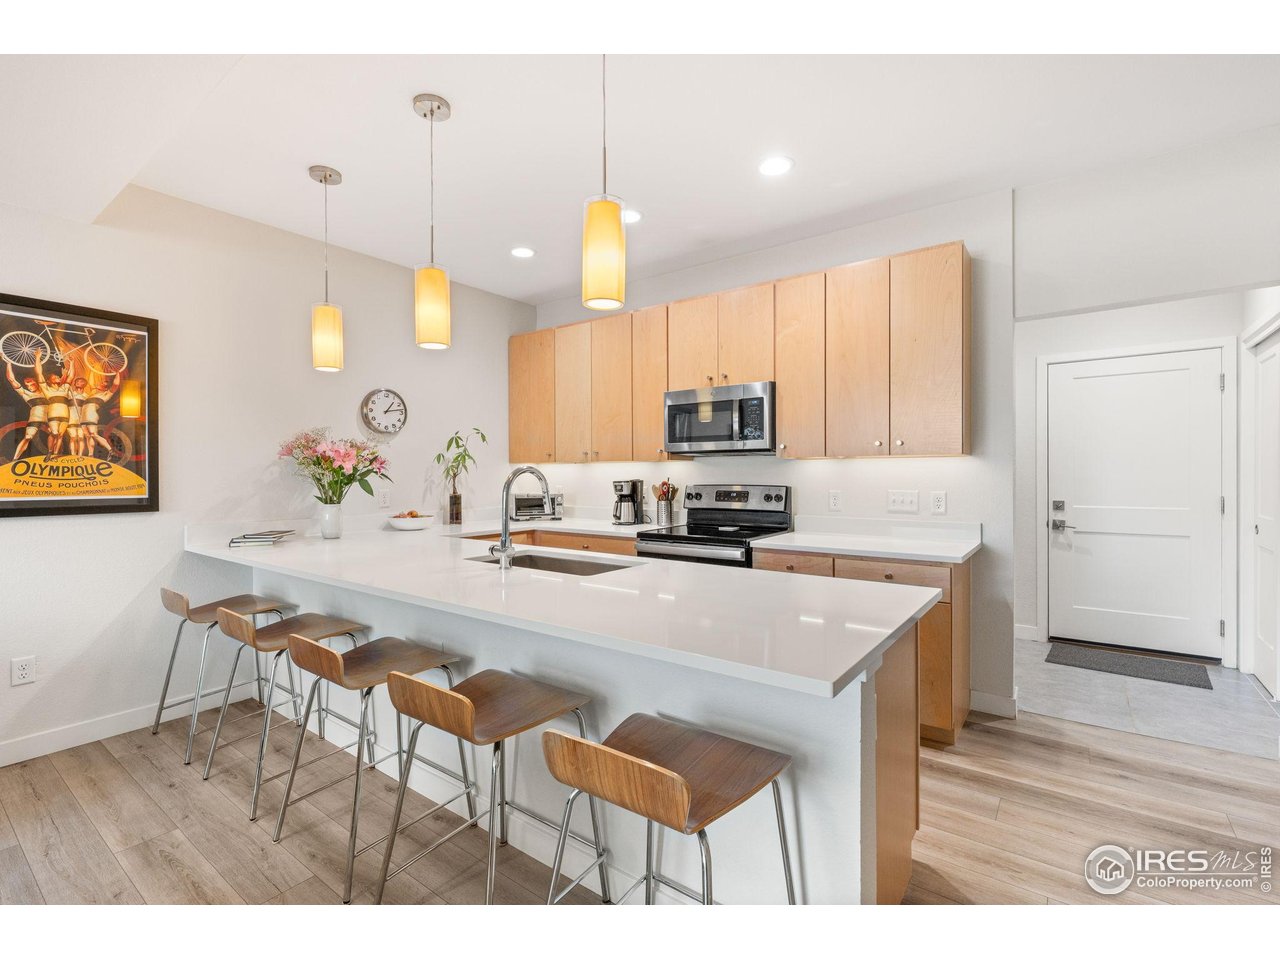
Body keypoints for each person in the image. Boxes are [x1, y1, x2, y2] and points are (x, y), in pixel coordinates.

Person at [5, 359, 48, 460]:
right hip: (35, 418)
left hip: (51, 418)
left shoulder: (47, 390)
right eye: (27, 385)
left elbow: (39, 372)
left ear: (36, 382)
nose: (29, 386)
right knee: (28, 437)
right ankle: (15, 459)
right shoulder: (27, 394)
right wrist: (8, 364)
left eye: (31, 383)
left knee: (57, 435)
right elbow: (11, 380)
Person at [34, 349, 71, 459]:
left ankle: (55, 453)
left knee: (60, 435)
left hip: (65, 415)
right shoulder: (46, 389)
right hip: (53, 414)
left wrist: (72, 364)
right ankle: (50, 451)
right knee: (54, 433)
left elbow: (71, 376)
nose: (58, 377)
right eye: (55, 377)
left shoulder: (64, 388)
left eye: (58, 376)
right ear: (49, 380)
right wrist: (37, 358)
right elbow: (39, 373)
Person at [76, 372, 119, 458]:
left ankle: (111, 450)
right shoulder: (93, 393)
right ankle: (90, 454)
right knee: (88, 436)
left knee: (93, 434)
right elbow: (91, 382)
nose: (100, 383)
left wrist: (118, 372)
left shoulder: (106, 394)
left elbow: (116, 384)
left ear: (106, 388)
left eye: (103, 383)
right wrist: (92, 370)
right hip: (83, 416)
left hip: (91, 415)